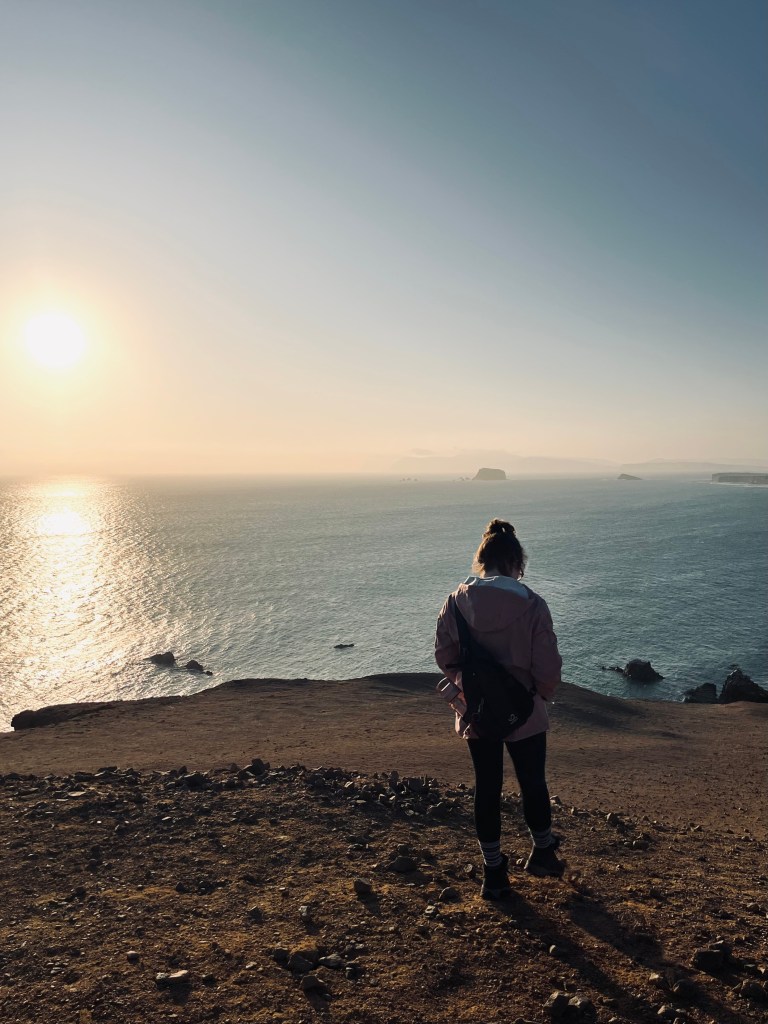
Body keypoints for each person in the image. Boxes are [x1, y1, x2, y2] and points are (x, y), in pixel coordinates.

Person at [434, 518, 564, 899]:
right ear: (515, 562)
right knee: (532, 782)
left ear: (482, 560)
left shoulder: (455, 602)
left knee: (486, 789)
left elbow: (445, 656)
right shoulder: (533, 605)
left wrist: (472, 683)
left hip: (475, 711)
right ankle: (542, 852)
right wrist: (540, 694)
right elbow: (548, 667)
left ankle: (494, 875)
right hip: (525, 708)